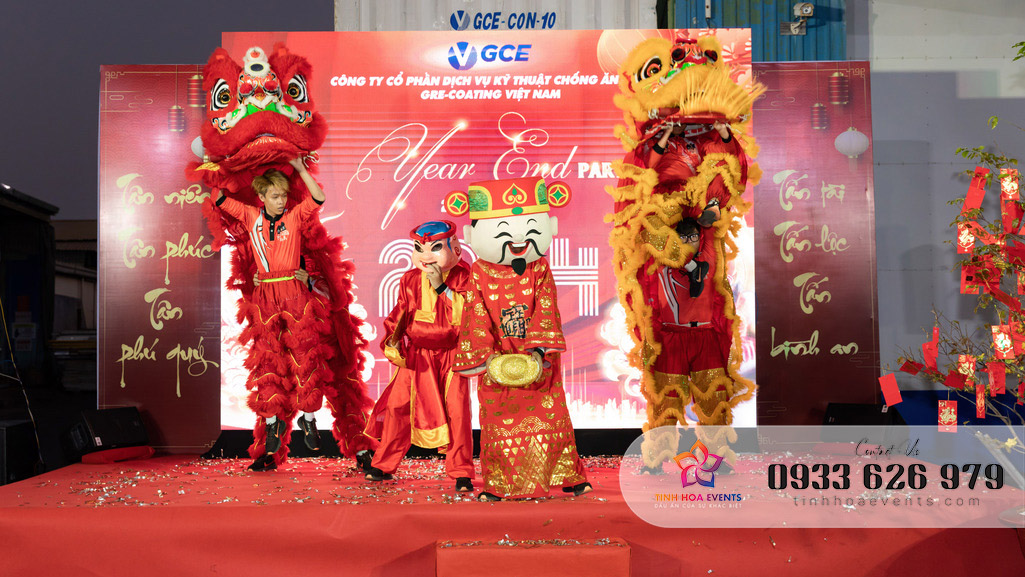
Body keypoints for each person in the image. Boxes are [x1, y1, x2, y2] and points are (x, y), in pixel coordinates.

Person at [449, 177, 591, 501]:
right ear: (472, 235)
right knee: (499, 424)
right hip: (498, 362)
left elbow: (546, 307)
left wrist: (538, 351)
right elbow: (475, 314)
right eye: (503, 231)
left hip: (537, 359)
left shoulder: (539, 267)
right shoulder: (479, 271)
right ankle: (499, 484)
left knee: (551, 417)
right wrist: (488, 358)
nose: (517, 239)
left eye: (528, 228)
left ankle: (568, 475)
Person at [215, 157, 337, 471]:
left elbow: (319, 197)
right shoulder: (249, 215)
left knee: (305, 356)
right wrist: (226, 166)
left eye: (283, 195)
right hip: (265, 294)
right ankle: (272, 425)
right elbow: (217, 197)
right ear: (262, 197)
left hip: (294, 292)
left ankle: (309, 419)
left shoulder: (294, 216)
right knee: (268, 361)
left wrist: (300, 169)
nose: (281, 200)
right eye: (275, 196)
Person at [363, 221, 475, 492]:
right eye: (419, 248)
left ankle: (461, 472)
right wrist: (393, 339)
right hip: (418, 356)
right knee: (397, 407)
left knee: (457, 412)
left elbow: (471, 315)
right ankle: (383, 464)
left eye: (435, 248)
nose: (426, 256)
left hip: (452, 356)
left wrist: (441, 287)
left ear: (455, 248)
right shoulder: (410, 279)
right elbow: (401, 312)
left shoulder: (465, 276)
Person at [640, 217, 737, 471]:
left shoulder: (710, 259)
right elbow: (647, 231)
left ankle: (715, 459)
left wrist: (706, 220)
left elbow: (711, 229)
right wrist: (686, 260)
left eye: (693, 237)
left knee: (713, 400)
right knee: (666, 401)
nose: (689, 242)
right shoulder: (661, 261)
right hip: (672, 339)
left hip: (705, 337)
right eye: (683, 238)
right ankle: (655, 459)